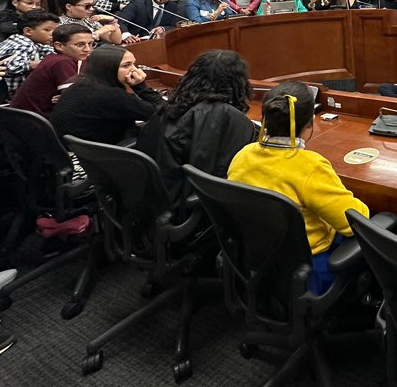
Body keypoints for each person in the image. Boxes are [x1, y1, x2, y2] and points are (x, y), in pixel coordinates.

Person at [228, 81, 369, 294]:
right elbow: (354, 222)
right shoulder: (310, 166)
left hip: (255, 260)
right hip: (308, 267)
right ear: (310, 122)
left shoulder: (242, 156)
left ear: (264, 120)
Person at [137, 50, 256, 206]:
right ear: (238, 81)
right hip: (185, 205)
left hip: (151, 200)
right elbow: (227, 174)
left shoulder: (173, 106)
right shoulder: (227, 116)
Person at [52, 44, 164, 145]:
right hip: (104, 153)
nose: (134, 70)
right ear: (108, 69)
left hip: (78, 148)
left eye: (134, 64)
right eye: (126, 65)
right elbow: (165, 113)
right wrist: (140, 86)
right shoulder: (110, 95)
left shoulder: (82, 83)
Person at [9, 23, 94, 117]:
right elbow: (75, 101)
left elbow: (73, 96)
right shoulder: (62, 62)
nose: (88, 49)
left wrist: (70, 96)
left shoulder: (60, 57)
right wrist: (71, 97)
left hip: (26, 116)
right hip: (31, 120)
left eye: (91, 44)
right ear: (59, 46)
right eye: (80, 45)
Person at [0, 10, 58, 94]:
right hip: (6, 94)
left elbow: (46, 50)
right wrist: (40, 63)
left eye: (55, 30)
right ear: (28, 31)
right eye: (47, 30)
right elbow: (13, 67)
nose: (52, 34)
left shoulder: (18, 39)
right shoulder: (25, 44)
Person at [56, 0, 123, 45]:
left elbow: (116, 41)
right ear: (69, 6)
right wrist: (98, 32)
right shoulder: (59, 24)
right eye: (87, 6)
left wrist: (112, 22)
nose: (91, 9)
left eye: (92, 5)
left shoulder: (89, 20)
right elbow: (78, 45)